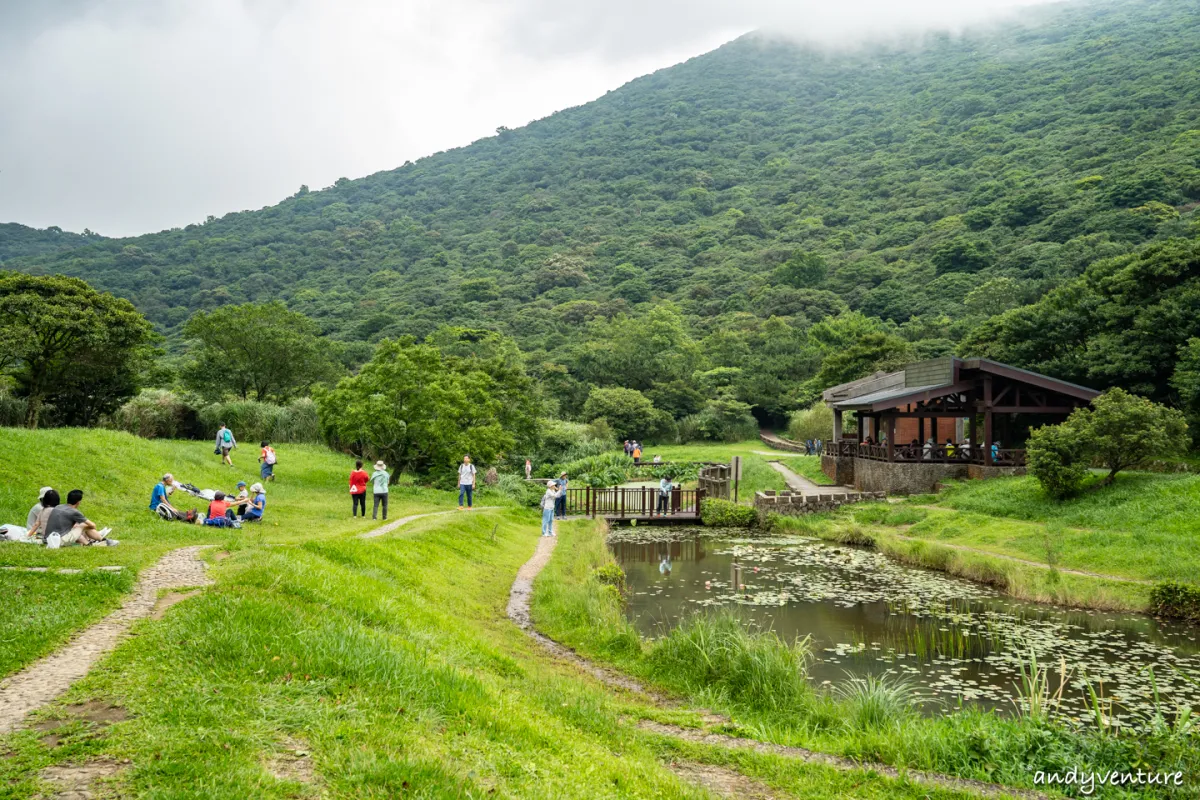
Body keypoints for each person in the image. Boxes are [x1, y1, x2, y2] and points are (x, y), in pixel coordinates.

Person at [46, 489, 117, 546]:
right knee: (83, 525)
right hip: (58, 540)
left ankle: (89, 543)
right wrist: (89, 530)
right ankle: (103, 540)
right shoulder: (74, 512)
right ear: (78, 502)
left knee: (79, 527)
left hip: (48, 538)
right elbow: (93, 525)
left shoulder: (58, 507)